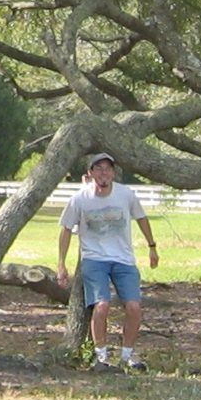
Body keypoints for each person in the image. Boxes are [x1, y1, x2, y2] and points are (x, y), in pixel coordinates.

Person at [55, 152, 158, 370]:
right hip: (94, 259)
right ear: (90, 173)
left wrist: (152, 247)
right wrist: (61, 264)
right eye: (99, 169)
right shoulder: (79, 199)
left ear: (113, 173)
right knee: (102, 305)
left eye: (107, 169)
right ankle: (101, 356)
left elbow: (141, 218)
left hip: (123, 259)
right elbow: (65, 230)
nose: (104, 173)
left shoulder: (125, 195)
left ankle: (127, 355)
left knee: (133, 307)